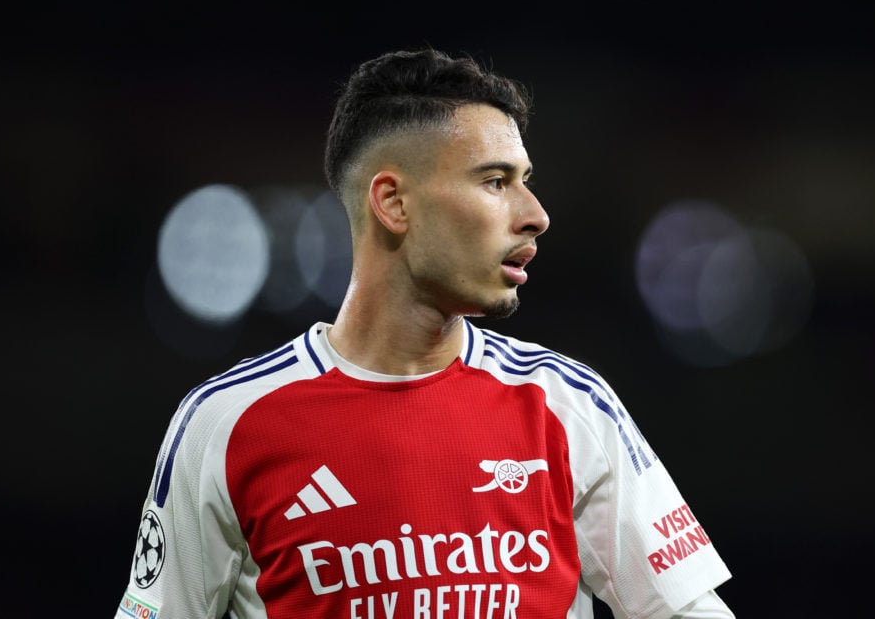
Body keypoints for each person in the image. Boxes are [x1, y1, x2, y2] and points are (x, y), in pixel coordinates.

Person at [114, 48, 735, 619]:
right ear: (393, 203)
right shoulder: (227, 423)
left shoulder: (570, 406)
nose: (535, 214)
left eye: (525, 180)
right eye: (496, 182)